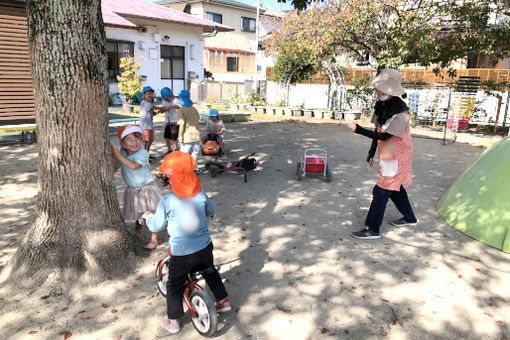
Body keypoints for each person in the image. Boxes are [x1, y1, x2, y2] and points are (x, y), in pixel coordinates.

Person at [143, 151, 231, 334]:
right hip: (205, 247)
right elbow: (211, 209)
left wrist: (148, 217)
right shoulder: (200, 194)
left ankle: (173, 320)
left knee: (174, 284)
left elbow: (158, 225)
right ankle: (223, 301)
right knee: (210, 270)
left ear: (170, 178)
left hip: (182, 254)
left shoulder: (168, 200)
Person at [348, 68, 417, 240]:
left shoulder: (401, 112)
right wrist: (371, 152)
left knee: (381, 190)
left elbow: (386, 135)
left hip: (398, 153)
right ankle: (410, 218)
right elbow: (378, 129)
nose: (376, 90)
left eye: (380, 87)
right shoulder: (381, 104)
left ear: (389, 90)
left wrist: (359, 130)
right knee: (394, 188)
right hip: (387, 150)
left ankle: (372, 229)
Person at [112, 124, 162, 250]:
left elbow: (134, 166)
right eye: (129, 139)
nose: (134, 142)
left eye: (137, 139)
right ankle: (138, 230)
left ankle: (154, 239)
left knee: (150, 213)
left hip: (147, 188)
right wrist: (114, 157)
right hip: (133, 190)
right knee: (138, 214)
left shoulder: (143, 153)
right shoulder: (122, 154)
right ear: (123, 143)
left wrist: (118, 156)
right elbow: (114, 168)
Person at [177, 90, 201, 163]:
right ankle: (194, 168)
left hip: (186, 137)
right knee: (195, 154)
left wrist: (180, 136)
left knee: (184, 155)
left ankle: (186, 170)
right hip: (196, 136)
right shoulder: (194, 109)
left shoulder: (181, 110)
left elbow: (182, 124)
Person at [139, 86, 160, 160]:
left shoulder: (149, 103)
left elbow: (153, 113)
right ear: (144, 95)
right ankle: (144, 157)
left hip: (150, 126)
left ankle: (147, 154)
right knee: (146, 142)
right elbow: (156, 108)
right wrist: (166, 108)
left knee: (150, 140)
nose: (150, 95)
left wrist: (158, 112)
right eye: (148, 93)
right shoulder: (144, 103)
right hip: (145, 127)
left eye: (151, 93)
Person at [158, 87, 181, 154]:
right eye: (165, 99)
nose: (166, 100)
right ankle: (169, 150)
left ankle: (175, 150)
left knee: (174, 137)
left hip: (176, 122)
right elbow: (162, 110)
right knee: (166, 136)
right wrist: (163, 109)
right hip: (168, 122)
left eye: (167, 98)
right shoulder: (165, 101)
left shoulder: (176, 100)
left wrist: (171, 106)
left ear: (171, 95)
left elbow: (179, 107)